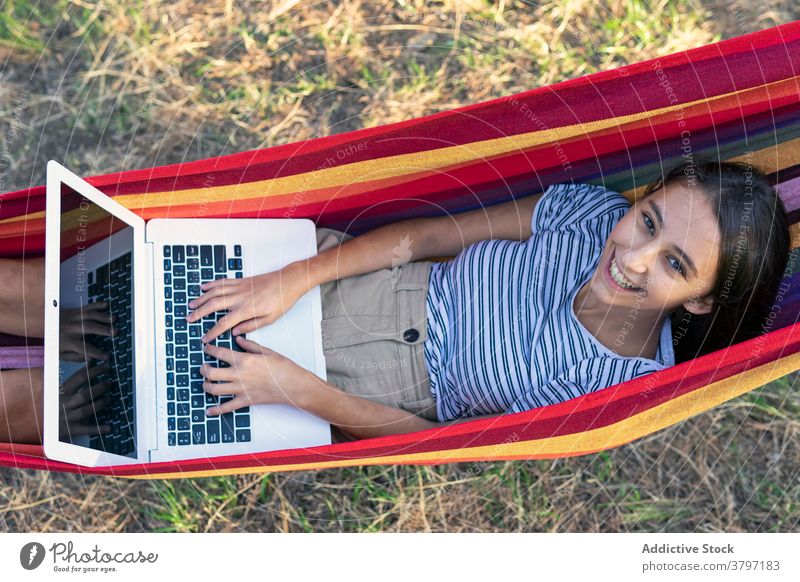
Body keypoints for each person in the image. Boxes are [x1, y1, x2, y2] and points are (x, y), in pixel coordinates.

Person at [0, 158, 790, 444]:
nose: (632, 253)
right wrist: (297, 276)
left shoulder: (613, 389)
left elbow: (433, 437)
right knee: (72, 293)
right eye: (647, 219)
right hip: (344, 278)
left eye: (673, 263)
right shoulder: (583, 212)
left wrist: (295, 391)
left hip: (342, 386)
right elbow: (424, 240)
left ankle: (71, 366)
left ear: (698, 302)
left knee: (61, 412)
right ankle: (73, 321)